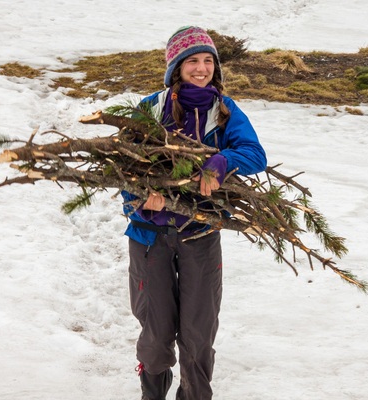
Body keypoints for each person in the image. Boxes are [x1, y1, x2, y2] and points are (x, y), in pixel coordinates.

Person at [121, 26, 267, 400]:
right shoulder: (150, 108)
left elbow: (255, 154)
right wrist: (140, 197)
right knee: (155, 333)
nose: (201, 68)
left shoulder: (225, 110)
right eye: (192, 61)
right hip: (149, 236)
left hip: (200, 232)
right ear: (176, 68)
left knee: (199, 333)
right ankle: (152, 393)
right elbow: (124, 166)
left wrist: (222, 160)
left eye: (207, 61)